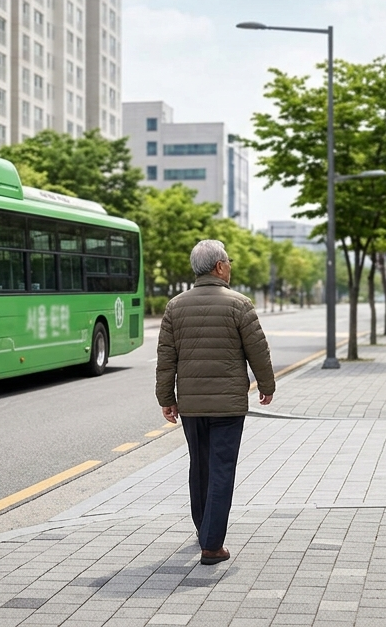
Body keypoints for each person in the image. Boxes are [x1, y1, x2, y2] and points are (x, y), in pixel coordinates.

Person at [156, 239, 275, 565]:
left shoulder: (175, 306)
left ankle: (204, 529)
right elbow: (258, 351)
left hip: (192, 407)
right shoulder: (240, 304)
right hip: (228, 407)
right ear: (220, 266)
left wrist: (166, 398)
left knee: (200, 467)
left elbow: (166, 359)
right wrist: (267, 385)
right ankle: (211, 546)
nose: (231, 267)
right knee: (222, 469)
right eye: (229, 262)